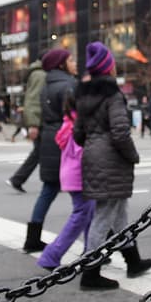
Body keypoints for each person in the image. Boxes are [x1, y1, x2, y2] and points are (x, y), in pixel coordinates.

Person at [75, 42, 151, 289]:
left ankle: (133, 260)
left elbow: (78, 133)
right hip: (111, 159)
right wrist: (132, 155)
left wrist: (93, 142)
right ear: (108, 67)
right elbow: (120, 132)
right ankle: (90, 273)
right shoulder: (113, 95)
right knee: (104, 216)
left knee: (119, 213)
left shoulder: (83, 95)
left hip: (93, 155)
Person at [23, 48, 76, 252]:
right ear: (61, 64)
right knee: (84, 196)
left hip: (50, 137)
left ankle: (33, 237)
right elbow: (73, 117)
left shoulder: (48, 83)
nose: (74, 63)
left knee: (49, 189)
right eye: (70, 59)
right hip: (65, 140)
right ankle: (96, 243)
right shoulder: (68, 85)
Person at [36, 94, 93, 270]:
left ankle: (90, 251)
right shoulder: (78, 124)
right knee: (81, 215)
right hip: (79, 176)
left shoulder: (69, 121)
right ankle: (51, 255)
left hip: (72, 175)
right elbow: (82, 153)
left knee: (89, 212)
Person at [7, 58, 45, 190]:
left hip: (40, 119)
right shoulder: (40, 74)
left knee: (40, 152)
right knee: (41, 151)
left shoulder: (38, 73)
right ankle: (18, 178)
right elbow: (34, 99)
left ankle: (18, 179)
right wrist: (33, 124)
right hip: (40, 120)